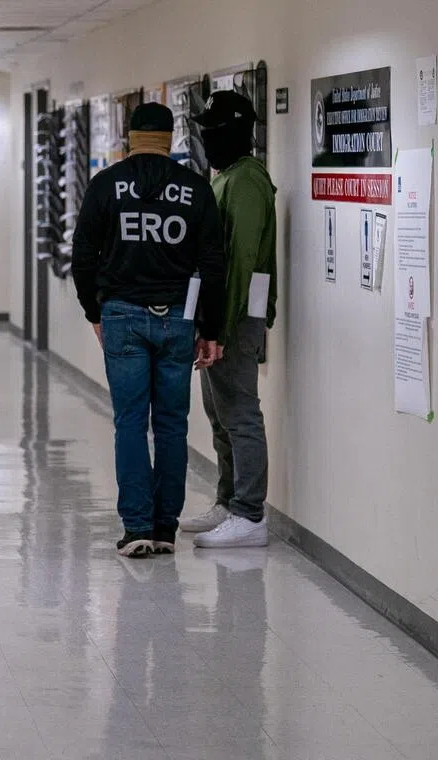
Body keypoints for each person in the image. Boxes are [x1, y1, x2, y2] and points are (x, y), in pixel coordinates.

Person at [72, 102, 227, 558]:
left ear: (129, 134)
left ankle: (136, 526)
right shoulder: (196, 190)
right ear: (170, 137)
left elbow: (83, 256)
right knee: (172, 425)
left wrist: (92, 312)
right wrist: (211, 328)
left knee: (131, 422)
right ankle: (164, 528)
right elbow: (213, 266)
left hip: (121, 315)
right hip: (179, 317)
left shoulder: (105, 186)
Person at [182, 90, 278, 549]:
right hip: (218, 317)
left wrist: (220, 327)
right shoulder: (226, 178)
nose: (206, 139)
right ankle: (227, 500)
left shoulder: (247, 181)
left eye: (212, 131)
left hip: (235, 318)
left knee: (240, 413)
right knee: (218, 413)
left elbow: (239, 260)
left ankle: (249, 513)